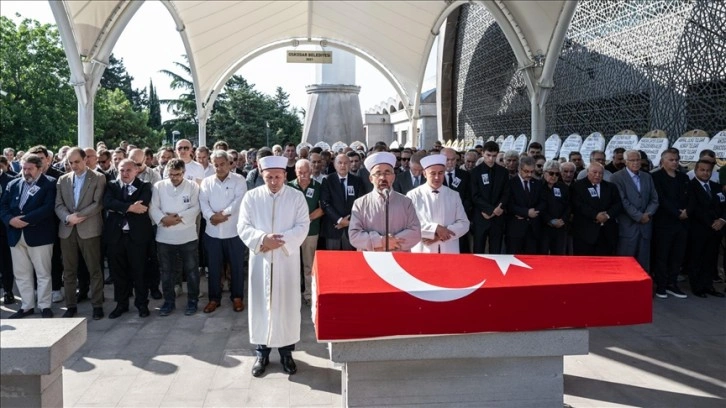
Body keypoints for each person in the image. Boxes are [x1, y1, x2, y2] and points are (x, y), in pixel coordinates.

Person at [237, 155, 310, 377]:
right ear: (262, 175)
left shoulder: (296, 197)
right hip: (261, 259)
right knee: (262, 305)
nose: (274, 181)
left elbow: (303, 225)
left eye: (278, 177)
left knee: (286, 305)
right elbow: (243, 225)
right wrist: (262, 239)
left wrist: (279, 241)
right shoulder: (251, 197)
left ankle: (287, 353)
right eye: (269, 177)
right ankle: (262, 354)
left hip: (286, 261)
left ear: (285, 176)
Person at [1, 154, 57, 319]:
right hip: (15, 235)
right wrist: (10, 220)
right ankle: (27, 306)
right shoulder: (13, 184)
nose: (26, 172)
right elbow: (3, 206)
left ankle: (44, 306)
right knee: (21, 273)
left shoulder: (50, 184)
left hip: (39, 235)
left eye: (30, 169)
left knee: (43, 273)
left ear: (39, 168)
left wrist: (25, 220)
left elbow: (48, 207)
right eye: (24, 168)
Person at [54, 147, 106, 320]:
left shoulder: (98, 177)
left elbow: (98, 203)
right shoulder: (63, 179)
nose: (73, 165)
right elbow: (58, 205)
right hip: (67, 230)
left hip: (89, 229)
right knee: (68, 271)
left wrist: (78, 217)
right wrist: (68, 217)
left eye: (77, 161)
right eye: (70, 162)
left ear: (85, 159)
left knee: (94, 269)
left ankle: (97, 305)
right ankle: (70, 306)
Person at [149, 159, 201, 316]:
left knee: (191, 270)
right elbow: (153, 207)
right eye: (171, 174)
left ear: (184, 172)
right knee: (167, 271)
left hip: (187, 235)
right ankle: (168, 302)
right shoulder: (159, 186)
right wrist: (164, 219)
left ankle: (192, 301)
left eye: (177, 174)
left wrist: (177, 218)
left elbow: (196, 207)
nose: (174, 177)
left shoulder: (193, 186)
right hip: (165, 236)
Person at [103, 159, 153, 318]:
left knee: (139, 271)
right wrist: (130, 207)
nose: (124, 173)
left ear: (136, 171)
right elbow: (108, 202)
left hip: (137, 237)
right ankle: (121, 304)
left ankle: (142, 304)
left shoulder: (144, 186)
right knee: (118, 272)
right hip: (116, 236)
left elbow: (143, 206)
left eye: (128, 170)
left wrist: (119, 207)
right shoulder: (111, 185)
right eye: (121, 170)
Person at [199, 150, 248, 314]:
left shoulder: (239, 180)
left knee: (236, 267)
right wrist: (211, 216)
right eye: (216, 165)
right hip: (212, 232)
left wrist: (222, 215)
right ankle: (214, 299)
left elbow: (239, 201)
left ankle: (237, 297)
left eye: (222, 164)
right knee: (213, 268)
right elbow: (203, 202)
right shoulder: (206, 182)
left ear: (229, 163)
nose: (219, 168)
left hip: (234, 231)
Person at [349, 152, 421, 251]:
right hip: (370, 258)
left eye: (387, 173)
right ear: (371, 178)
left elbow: (415, 232)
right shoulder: (360, 204)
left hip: (398, 258)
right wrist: (381, 241)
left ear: (393, 177)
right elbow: (354, 236)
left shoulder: (406, 202)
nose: (383, 178)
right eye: (378, 173)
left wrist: (392, 242)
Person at [407, 154, 469, 253]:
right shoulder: (413, 195)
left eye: (440, 173)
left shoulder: (453, 195)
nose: (437, 177)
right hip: (423, 249)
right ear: (424, 174)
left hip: (448, 248)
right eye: (433, 173)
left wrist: (440, 236)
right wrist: (435, 229)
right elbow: (409, 224)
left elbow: (464, 223)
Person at [611, 150, 659, 273]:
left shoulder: (647, 177)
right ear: (625, 162)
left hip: (646, 225)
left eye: (638, 160)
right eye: (632, 160)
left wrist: (648, 214)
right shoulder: (616, 177)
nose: (636, 163)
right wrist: (638, 216)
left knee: (643, 263)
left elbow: (654, 199)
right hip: (628, 226)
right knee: (626, 262)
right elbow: (622, 201)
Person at [651, 149, 689, 299]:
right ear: (663, 161)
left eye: (676, 160)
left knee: (677, 255)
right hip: (664, 223)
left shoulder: (683, 177)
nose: (674, 162)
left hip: (682, 223)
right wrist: (676, 212)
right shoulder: (655, 177)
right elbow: (660, 198)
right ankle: (661, 285)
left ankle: (672, 283)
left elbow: (689, 196)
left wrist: (686, 211)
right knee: (662, 255)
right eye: (671, 160)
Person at [686, 160, 726, 298]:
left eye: (708, 170)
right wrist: (711, 223)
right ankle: (697, 287)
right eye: (702, 170)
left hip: (716, 230)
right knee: (697, 258)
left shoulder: (716, 187)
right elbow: (695, 208)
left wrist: (722, 220)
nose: (705, 173)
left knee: (711, 259)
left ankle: (708, 285)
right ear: (696, 170)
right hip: (699, 230)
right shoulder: (690, 186)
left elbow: (724, 205)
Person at [287, 159, 324, 306]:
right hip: (292, 232)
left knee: (309, 265)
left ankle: (309, 294)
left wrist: (305, 219)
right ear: (295, 172)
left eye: (306, 172)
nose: (303, 175)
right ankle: (293, 294)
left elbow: (322, 208)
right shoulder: (289, 186)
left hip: (311, 231)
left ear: (311, 171)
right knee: (292, 265)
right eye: (300, 172)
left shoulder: (318, 186)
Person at [571, 162, 622, 255]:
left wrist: (607, 215)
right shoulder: (578, 186)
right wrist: (595, 215)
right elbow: (579, 205)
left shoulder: (611, 187)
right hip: (585, 233)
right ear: (588, 172)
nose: (598, 175)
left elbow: (618, 204)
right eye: (594, 172)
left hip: (606, 233)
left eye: (600, 173)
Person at [470, 141, 510, 254]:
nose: (491, 159)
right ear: (482, 153)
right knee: (478, 249)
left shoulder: (503, 172)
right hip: (481, 216)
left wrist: (498, 208)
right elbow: (474, 195)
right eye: (488, 155)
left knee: (496, 250)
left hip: (498, 217)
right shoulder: (475, 172)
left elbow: (506, 193)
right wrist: (490, 210)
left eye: (494, 156)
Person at [320, 153, 365, 250]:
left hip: (351, 228)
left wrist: (349, 221)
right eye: (340, 163)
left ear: (349, 164)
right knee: (333, 258)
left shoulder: (357, 181)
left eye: (345, 163)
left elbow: (361, 203)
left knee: (350, 258)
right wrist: (339, 220)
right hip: (333, 227)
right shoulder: (327, 180)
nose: (343, 165)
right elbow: (325, 204)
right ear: (334, 164)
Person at [506, 156, 546, 254]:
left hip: (533, 229)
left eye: (532, 172)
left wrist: (535, 212)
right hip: (516, 230)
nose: (529, 174)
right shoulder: (510, 183)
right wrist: (526, 213)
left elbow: (543, 202)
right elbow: (509, 204)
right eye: (526, 171)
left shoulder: (538, 184)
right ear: (519, 169)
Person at [541, 160, 570, 255]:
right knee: (542, 254)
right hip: (543, 227)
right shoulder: (538, 186)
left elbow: (568, 206)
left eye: (557, 174)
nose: (554, 176)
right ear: (544, 172)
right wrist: (549, 220)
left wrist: (562, 220)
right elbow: (538, 206)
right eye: (551, 173)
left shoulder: (563, 187)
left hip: (560, 227)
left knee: (559, 255)